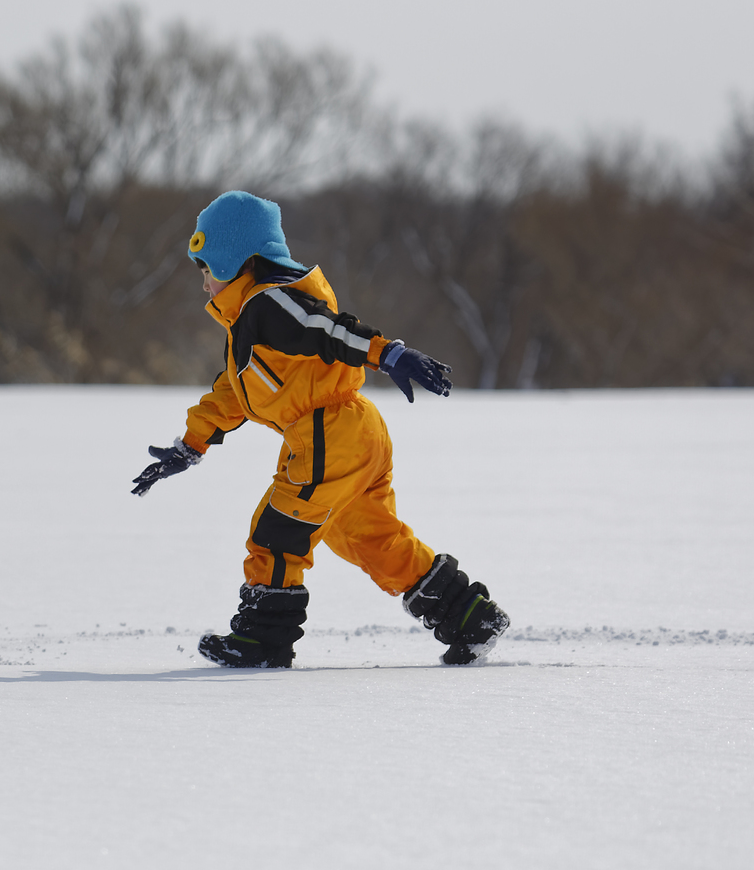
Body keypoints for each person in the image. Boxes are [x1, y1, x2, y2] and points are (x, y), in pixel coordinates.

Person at [131, 190, 509, 667]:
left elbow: (328, 330)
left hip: (329, 434)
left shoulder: (271, 306)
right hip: (351, 433)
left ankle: (263, 641)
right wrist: (190, 445)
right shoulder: (251, 320)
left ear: (235, 260)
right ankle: (471, 617)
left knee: (278, 532)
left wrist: (386, 353)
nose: (203, 281)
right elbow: (235, 392)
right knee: (367, 538)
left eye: (206, 267)